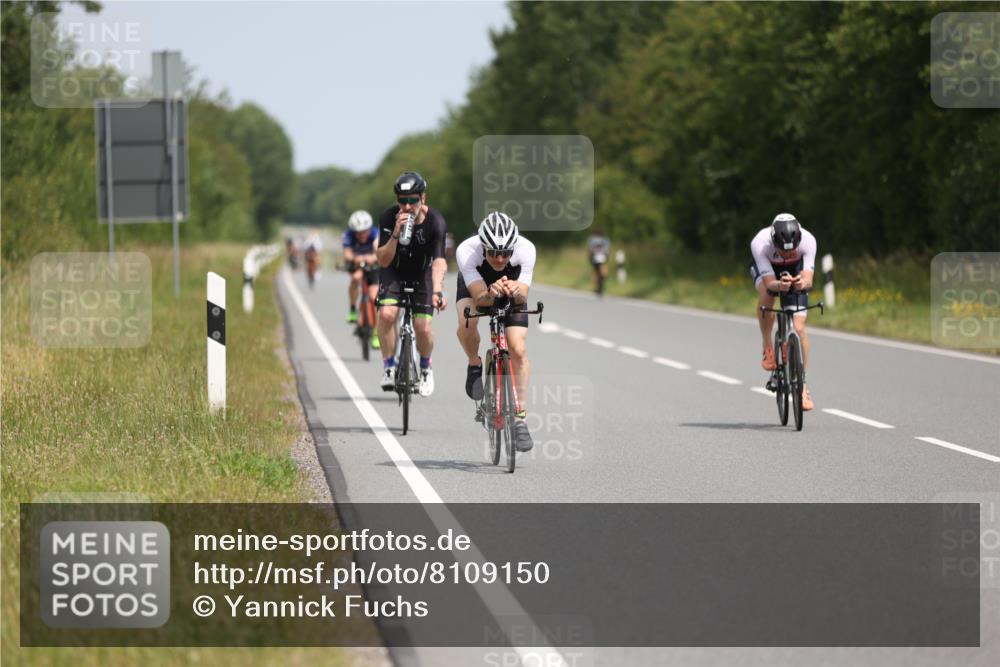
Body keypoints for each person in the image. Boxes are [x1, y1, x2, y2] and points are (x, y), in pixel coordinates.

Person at [455, 211, 536, 452]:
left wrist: (516, 291)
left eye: (505, 253)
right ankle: (474, 363)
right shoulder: (467, 251)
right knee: (467, 323)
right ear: (483, 247)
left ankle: (520, 417)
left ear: (513, 248)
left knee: (518, 349)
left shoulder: (526, 249)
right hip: (478, 287)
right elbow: (480, 298)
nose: (500, 259)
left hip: (511, 288)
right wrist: (491, 292)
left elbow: (523, 295)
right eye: (493, 253)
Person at [375, 171, 448, 396]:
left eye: (413, 200)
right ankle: (389, 367)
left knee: (423, 327)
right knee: (387, 315)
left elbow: (439, 261)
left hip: (422, 274)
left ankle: (425, 368)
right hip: (393, 271)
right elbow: (383, 259)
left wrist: (437, 291)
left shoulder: (435, 221)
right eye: (402, 201)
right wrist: (396, 233)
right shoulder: (389, 217)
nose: (407, 206)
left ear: (423, 198)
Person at [749, 213, 818, 410]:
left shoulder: (808, 240)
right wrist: (780, 285)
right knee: (767, 294)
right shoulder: (760, 243)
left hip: (795, 269)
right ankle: (768, 346)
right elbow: (770, 284)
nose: (787, 254)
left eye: (792, 250)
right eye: (782, 250)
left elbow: (808, 280)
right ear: (774, 242)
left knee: (799, 327)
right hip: (769, 270)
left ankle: (802, 385)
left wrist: (801, 282)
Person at [343, 210, 381, 348]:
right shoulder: (348, 235)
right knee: (355, 278)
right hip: (357, 265)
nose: (361, 235)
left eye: (364, 231)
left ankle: (376, 333)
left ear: (369, 229)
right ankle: (353, 309)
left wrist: (371, 258)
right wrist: (356, 259)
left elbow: (380, 252)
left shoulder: (376, 233)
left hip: (373, 266)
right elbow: (347, 254)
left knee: (374, 297)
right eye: (358, 232)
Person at [587, 229, 611, 295]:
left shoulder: (592, 240)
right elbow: (608, 249)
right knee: (602, 272)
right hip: (603, 257)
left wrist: (589, 258)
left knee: (596, 272)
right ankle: (601, 286)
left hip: (595, 258)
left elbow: (590, 249)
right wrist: (608, 256)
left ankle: (598, 287)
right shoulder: (606, 240)